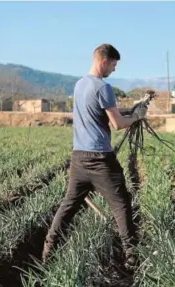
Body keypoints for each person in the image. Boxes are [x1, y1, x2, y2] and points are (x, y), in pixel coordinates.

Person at [42, 44, 147, 269]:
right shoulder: (104, 87)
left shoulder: (80, 85)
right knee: (121, 205)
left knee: (68, 206)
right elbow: (117, 123)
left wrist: (132, 109)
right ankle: (132, 257)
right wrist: (137, 117)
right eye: (113, 64)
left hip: (79, 159)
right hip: (101, 161)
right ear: (104, 62)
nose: (114, 69)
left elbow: (102, 112)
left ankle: (48, 250)